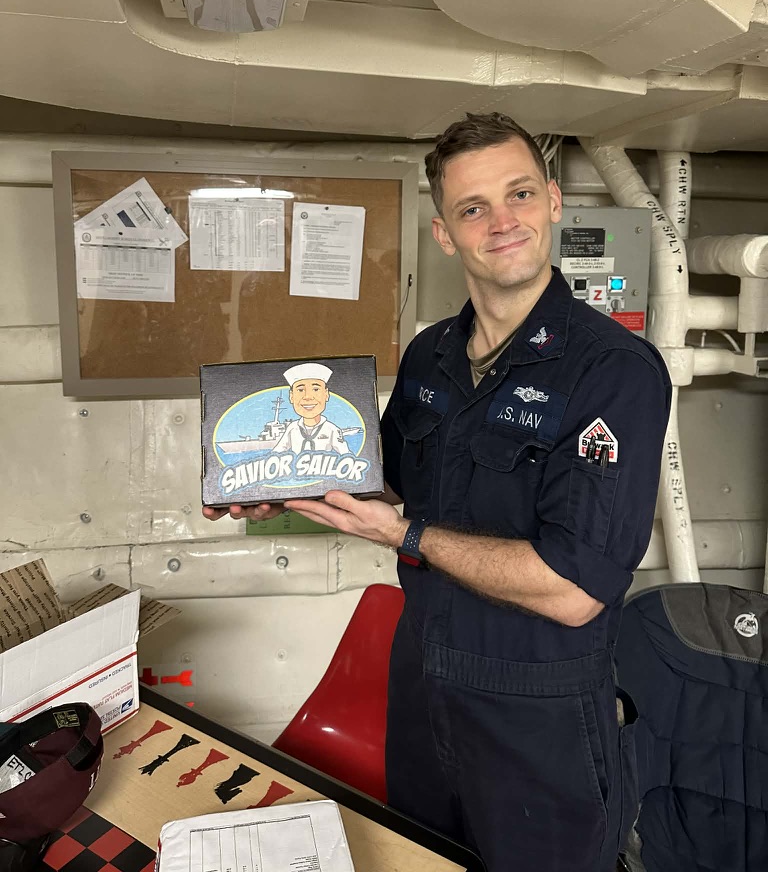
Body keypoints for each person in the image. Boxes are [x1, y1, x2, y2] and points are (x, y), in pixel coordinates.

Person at [203, 112, 671, 872]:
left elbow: (574, 589)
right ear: (445, 232)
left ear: (554, 201)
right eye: (473, 208)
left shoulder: (612, 371)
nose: (502, 222)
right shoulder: (431, 354)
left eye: (519, 194)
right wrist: (278, 485)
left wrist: (405, 536)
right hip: (422, 690)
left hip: (540, 718)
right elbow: (385, 487)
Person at [271, 362, 349, 455]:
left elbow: (346, 455)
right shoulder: (292, 428)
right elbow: (276, 453)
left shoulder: (331, 429)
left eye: (316, 389)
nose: (308, 397)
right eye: (300, 390)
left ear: (326, 394)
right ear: (291, 396)